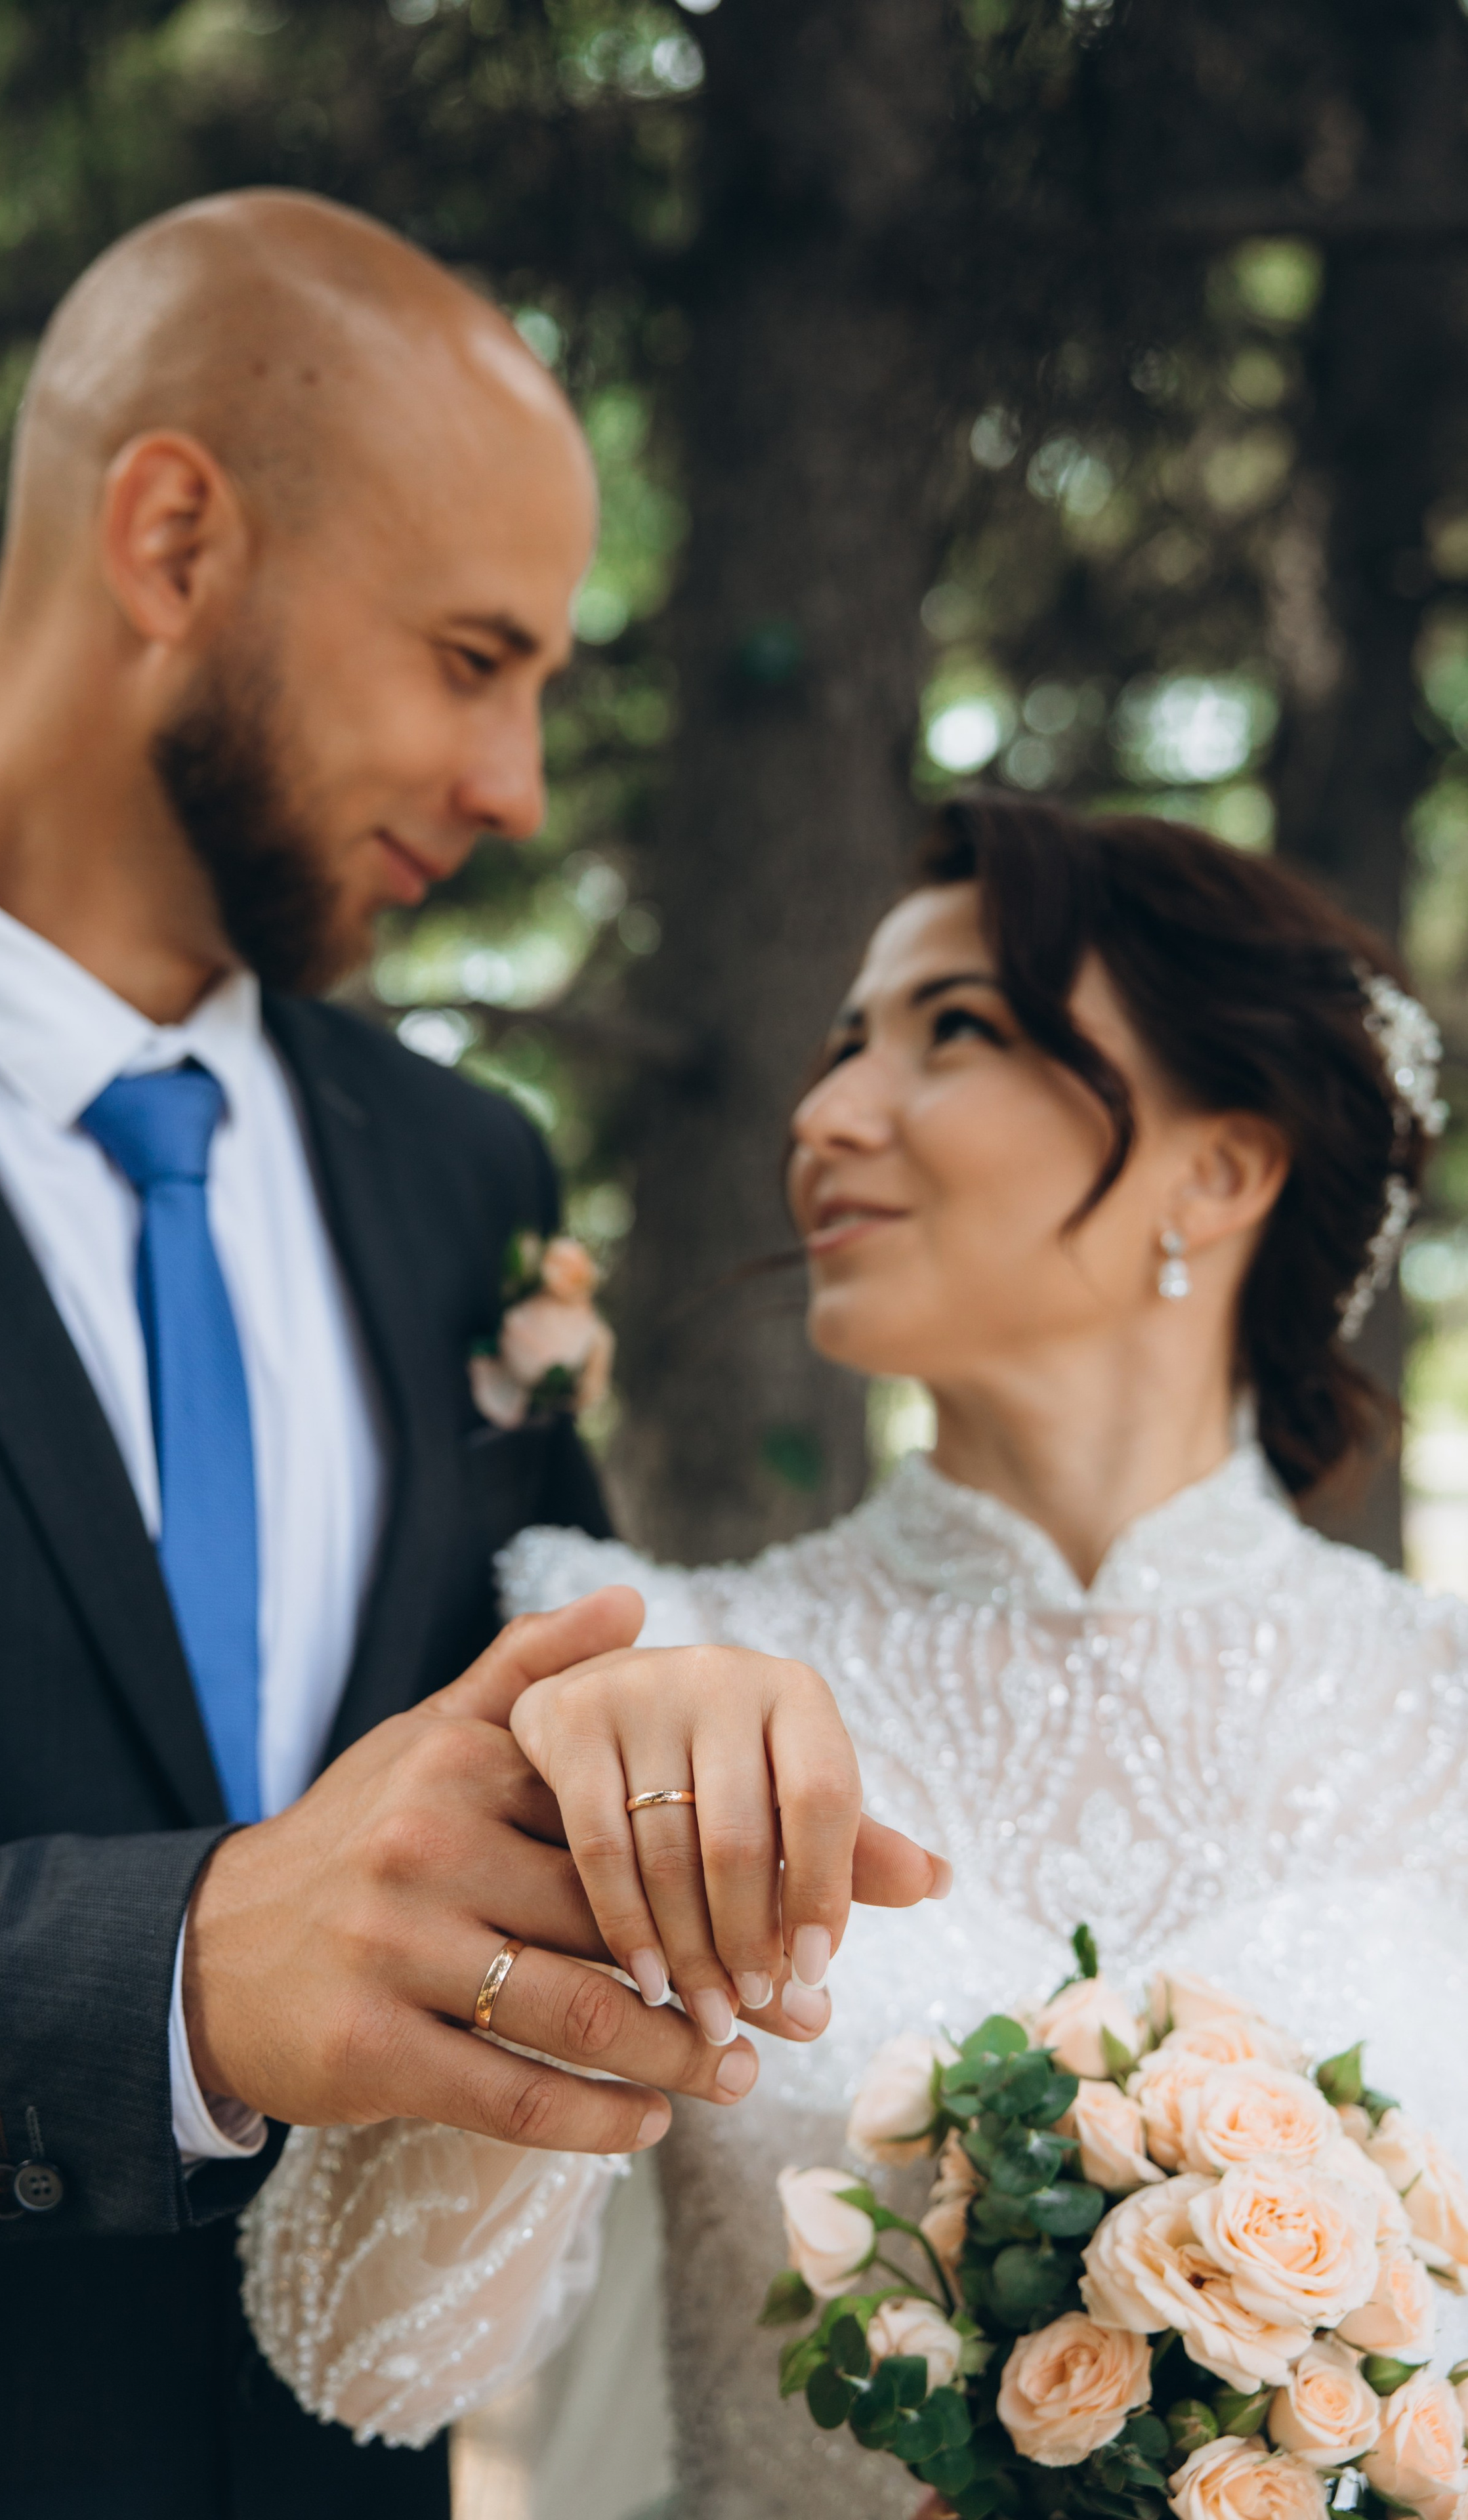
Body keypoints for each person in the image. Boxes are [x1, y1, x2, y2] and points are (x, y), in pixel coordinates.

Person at [0, 190, 942, 2519]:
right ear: (176, 538)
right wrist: (179, 1979)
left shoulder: (459, 1174)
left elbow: (533, 1718)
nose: (514, 784)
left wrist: (666, 1746)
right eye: (469, 656)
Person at [242, 795, 1468, 2520]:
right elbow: (358, 2352)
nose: (821, 1119)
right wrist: (580, 1878)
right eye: (834, 1052)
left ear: (1222, 1165)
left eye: (953, 1030)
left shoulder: (1448, 1696)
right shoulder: (640, 1657)